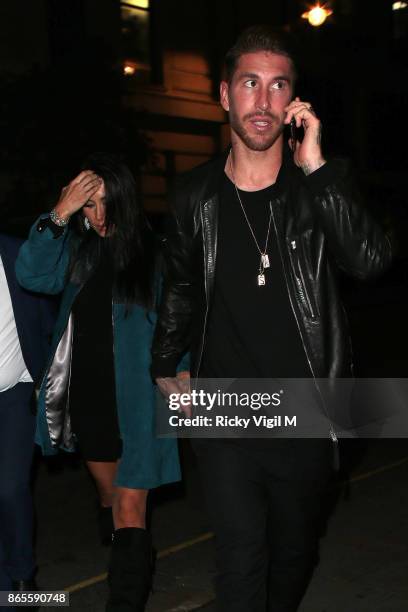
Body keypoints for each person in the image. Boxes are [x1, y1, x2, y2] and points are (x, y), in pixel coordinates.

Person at [151, 25, 393, 612]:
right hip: (225, 407)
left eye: (277, 86)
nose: (263, 101)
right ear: (224, 95)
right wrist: (164, 363)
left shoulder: (318, 187)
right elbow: (181, 285)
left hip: (306, 409)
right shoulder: (193, 195)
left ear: (294, 102)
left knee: (293, 551)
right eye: (250, 84)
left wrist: (317, 167)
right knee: (239, 561)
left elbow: (369, 262)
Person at [16, 153, 185, 612]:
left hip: (142, 401)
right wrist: (59, 213)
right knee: (112, 502)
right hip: (89, 400)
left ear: (127, 202)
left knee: (130, 507)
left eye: (107, 203)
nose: (99, 214)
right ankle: (134, 556)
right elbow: (30, 273)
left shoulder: (156, 255)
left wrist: (183, 367)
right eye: (89, 205)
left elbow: (181, 318)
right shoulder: (74, 254)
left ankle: (126, 596)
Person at [0, 232, 54, 607]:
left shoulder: (18, 253)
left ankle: (21, 576)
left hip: (15, 395)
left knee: (9, 487)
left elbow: (46, 319)